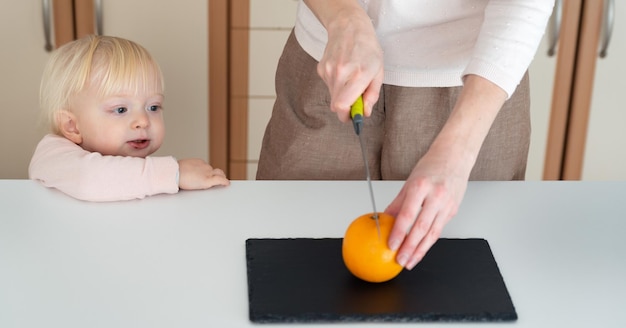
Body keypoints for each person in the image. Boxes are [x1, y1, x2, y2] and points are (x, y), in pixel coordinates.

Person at [257, 0, 554, 270]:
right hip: (334, 62)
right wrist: (343, 16)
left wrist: (460, 147)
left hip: (475, 91)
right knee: (288, 263)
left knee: (463, 274)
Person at [30, 35, 229, 202]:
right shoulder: (52, 154)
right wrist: (175, 173)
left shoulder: (131, 162)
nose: (143, 120)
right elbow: (89, 178)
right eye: (120, 110)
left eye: (153, 107)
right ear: (72, 126)